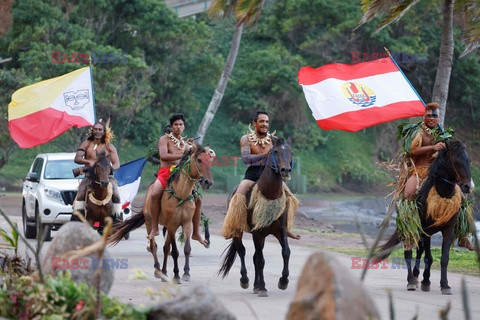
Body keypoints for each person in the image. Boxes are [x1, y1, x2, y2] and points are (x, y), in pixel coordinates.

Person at [397, 102, 474, 250]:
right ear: (424, 116)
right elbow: (410, 151)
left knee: (463, 199)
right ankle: (409, 235)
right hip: (419, 170)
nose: (432, 118)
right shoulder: (419, 132)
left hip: (438, 172)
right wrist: (432, 147)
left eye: (435, 116)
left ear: (438, 118)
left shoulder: (442, 134)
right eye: (429, 116)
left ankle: (463, 237)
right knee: (408, 194)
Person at [220, 110, 300, 240]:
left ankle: (285, 228)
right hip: (252, 174)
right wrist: (264, 155)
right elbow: (245, 158)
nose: (265, 124)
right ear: (254, 123)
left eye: (267, 121)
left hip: (270, 174)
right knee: (238, 196)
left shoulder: (274, 140)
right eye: (261, 121)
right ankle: (233, 227)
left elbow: (283, 154)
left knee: (290, 197)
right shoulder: (246, 139)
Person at [147, 113, 207, 246]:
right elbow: (163, 156)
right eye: (176, 125)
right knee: (155, 193)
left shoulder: (185, 143)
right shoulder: (164, 139)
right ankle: (155, 228)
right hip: (165, 173)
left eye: (181, 124)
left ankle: (196, 233)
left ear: (184, 126)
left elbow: (195, 156)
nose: (178, 127)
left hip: (181, 174)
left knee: (198, 198)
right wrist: (184, 153)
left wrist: (203, 151)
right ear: (172, 126)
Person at [73, 119, 122, 218]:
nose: (97, 131)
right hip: (89, 177)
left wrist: (109, 169)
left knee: (116, 194)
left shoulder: (110, 147)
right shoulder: (86, 144)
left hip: (106, 177)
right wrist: (89, 162)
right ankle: (77, 218)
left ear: (104, 132)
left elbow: (116, 164)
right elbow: (77, 158)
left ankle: (117, 218)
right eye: (95, 129)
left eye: (100, 129)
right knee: (81, 193)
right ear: (92, 131)